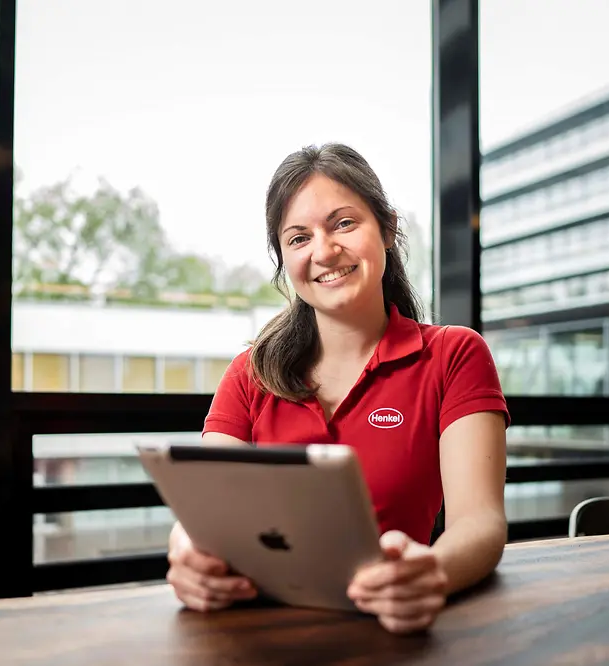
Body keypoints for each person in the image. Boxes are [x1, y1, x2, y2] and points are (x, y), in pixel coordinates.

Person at [165, 143, 509, 635]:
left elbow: (481, 524)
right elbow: (201, 508)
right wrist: (185, 553)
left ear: (388, 229)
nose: (324, 251)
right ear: (284, 259)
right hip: (257, 633)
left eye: (344, 223)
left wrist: (429, 573)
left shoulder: (454, 356)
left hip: (391, 627)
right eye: (299, 237)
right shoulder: (250, 372)